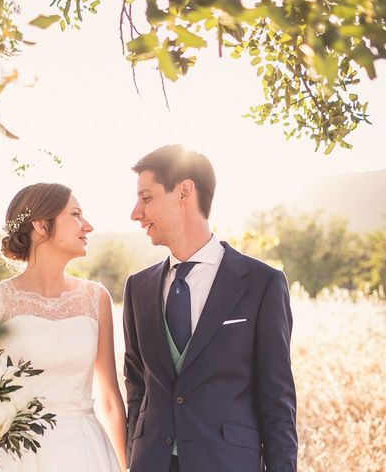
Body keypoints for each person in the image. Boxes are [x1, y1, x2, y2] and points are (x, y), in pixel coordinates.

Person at [123, 145, 297, 472]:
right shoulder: (138, 288)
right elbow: (136, 387)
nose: (136, 213)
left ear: (184, 192)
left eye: (146, 198)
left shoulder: (262, 284)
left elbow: (277, 402)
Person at [0, 183, 126, 472]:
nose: (87, 226)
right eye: (76, 215)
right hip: (18, 456)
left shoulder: (96, 298)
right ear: (41, 225)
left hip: (86, 452)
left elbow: (109, 399)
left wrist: (125, 466)